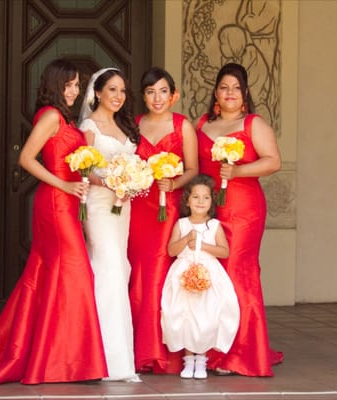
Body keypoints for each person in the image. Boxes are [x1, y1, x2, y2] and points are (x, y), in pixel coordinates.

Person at [0, 59, 108, 384]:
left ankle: (56, 356)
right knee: (76, 272)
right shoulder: (51, 116)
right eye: (69, 85)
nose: (75, 91)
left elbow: (76, 165)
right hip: (54, 203)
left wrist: (110, 180)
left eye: (77, 85)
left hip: (66, 200)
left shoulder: (62, 117)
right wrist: (63, 184)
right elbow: (24, 158)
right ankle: (64, 360)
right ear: (54, 85)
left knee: (51, 277)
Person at [196, 62, 283, 377]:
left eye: (235, 87)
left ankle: (240, 351)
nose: (229, 92)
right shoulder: (203, 123)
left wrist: (239, 171)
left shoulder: (253, 124)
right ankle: (209, 346)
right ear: (216, 93)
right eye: (223, 87)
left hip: (244, 208)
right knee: (209, 272)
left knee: (237, 272)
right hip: (209, 209)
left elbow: (274, 162)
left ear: (244, 92)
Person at [127, 67, 198, 374]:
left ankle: (156, 350)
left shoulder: (183, 126)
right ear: (143, 96)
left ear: (174, 95)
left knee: (157, 271)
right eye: (150, 92)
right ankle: (130, 348)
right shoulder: (134, 124)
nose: (157, 98)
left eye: (163, 92)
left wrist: (175, 183)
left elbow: (193, 168)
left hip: (166, 208)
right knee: (134, 272)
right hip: (137, 206)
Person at [78, 67, 141, 382]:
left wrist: (131, 181)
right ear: (97, 92)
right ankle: (105, 360)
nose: (118, 96)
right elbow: (82, 169)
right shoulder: (90, 127)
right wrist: (109, 180)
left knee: (122, 270)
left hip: (122, 208)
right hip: (100, 206)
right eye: (112, 90)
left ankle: (116, 356)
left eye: (122, 91)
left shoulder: (124, 126)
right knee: (109, 271)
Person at [160, 174, 240, 380]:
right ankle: (188, 361)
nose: (200, 202)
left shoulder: (214, 226)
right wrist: (187, 239)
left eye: (205, 198)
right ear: (187, 200)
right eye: (195, 197)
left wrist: (202, 245)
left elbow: (224, 251)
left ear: (212, 202)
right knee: (184, 315)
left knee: (205, 317)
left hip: (208, 274)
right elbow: (171, 250)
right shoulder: (181, 224)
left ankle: (202, 361)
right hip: (183, 274)